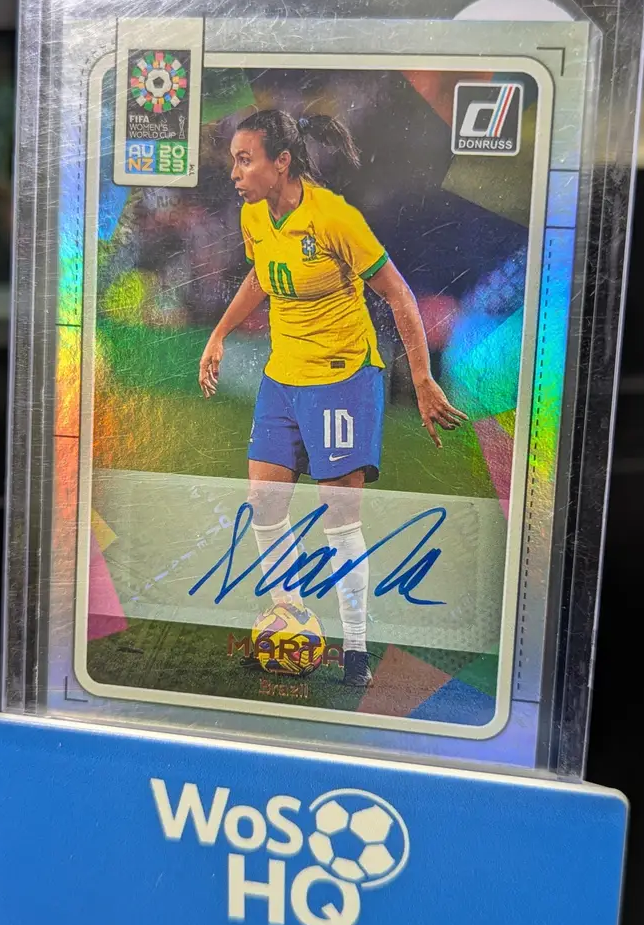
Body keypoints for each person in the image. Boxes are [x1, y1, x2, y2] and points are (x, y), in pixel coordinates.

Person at [198, 109, 466, 687]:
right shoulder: (254, 214)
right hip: (282, 378)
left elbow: (398, 295)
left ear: (281, 162)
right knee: (264, 503)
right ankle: (288, 620)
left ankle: (356, 651)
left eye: (245, 160)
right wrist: (219, 333)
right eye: (234, 160)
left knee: (338, 518)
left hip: (343, 379)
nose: (235, 172)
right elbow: (261, 275)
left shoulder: (335, 219)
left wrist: (422, 379)